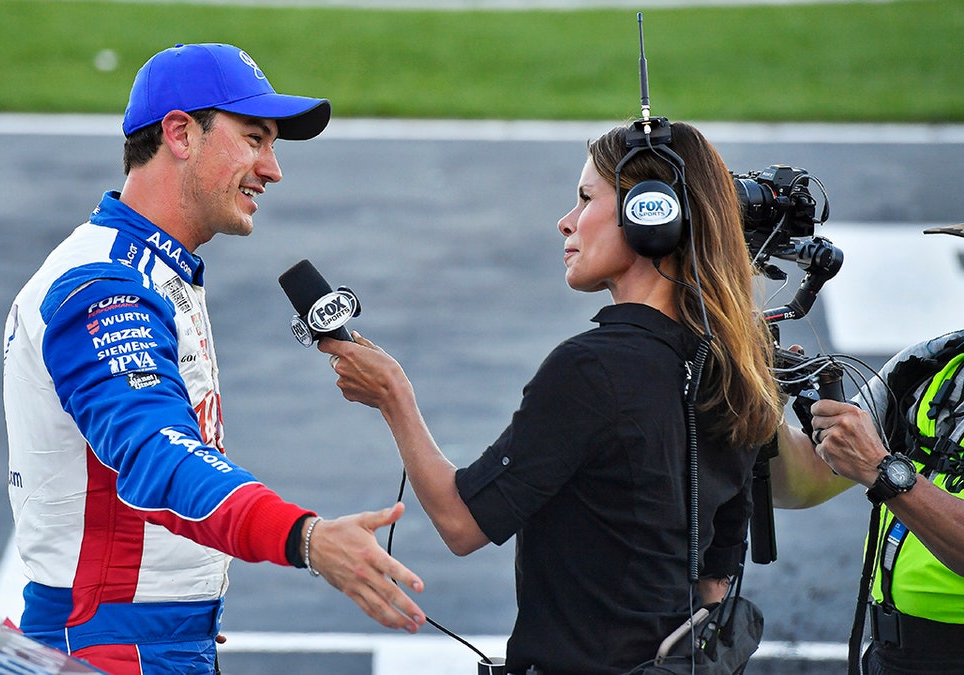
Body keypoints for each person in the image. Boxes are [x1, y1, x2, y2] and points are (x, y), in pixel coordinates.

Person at [1, 43, 426, 675]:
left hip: (147, 641)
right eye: (255, 138)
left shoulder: (152, 268)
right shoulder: (106, 287)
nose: (273, 168)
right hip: (112, 654)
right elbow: (155, 452)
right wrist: (305, 538)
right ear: (180, 133)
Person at [318, 120, 783, 673]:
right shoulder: (739, 362)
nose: (565, 221)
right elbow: (714, 578)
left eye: (586, 198)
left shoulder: (592, 369)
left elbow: (463, 523)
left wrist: (394, 395)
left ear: (649, 218)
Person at [772, 327, 964, 674]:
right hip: (891, 656)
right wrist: (759, 410)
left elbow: (868, 460)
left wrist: (882, 470)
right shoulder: (933, 363)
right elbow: (805, 481)